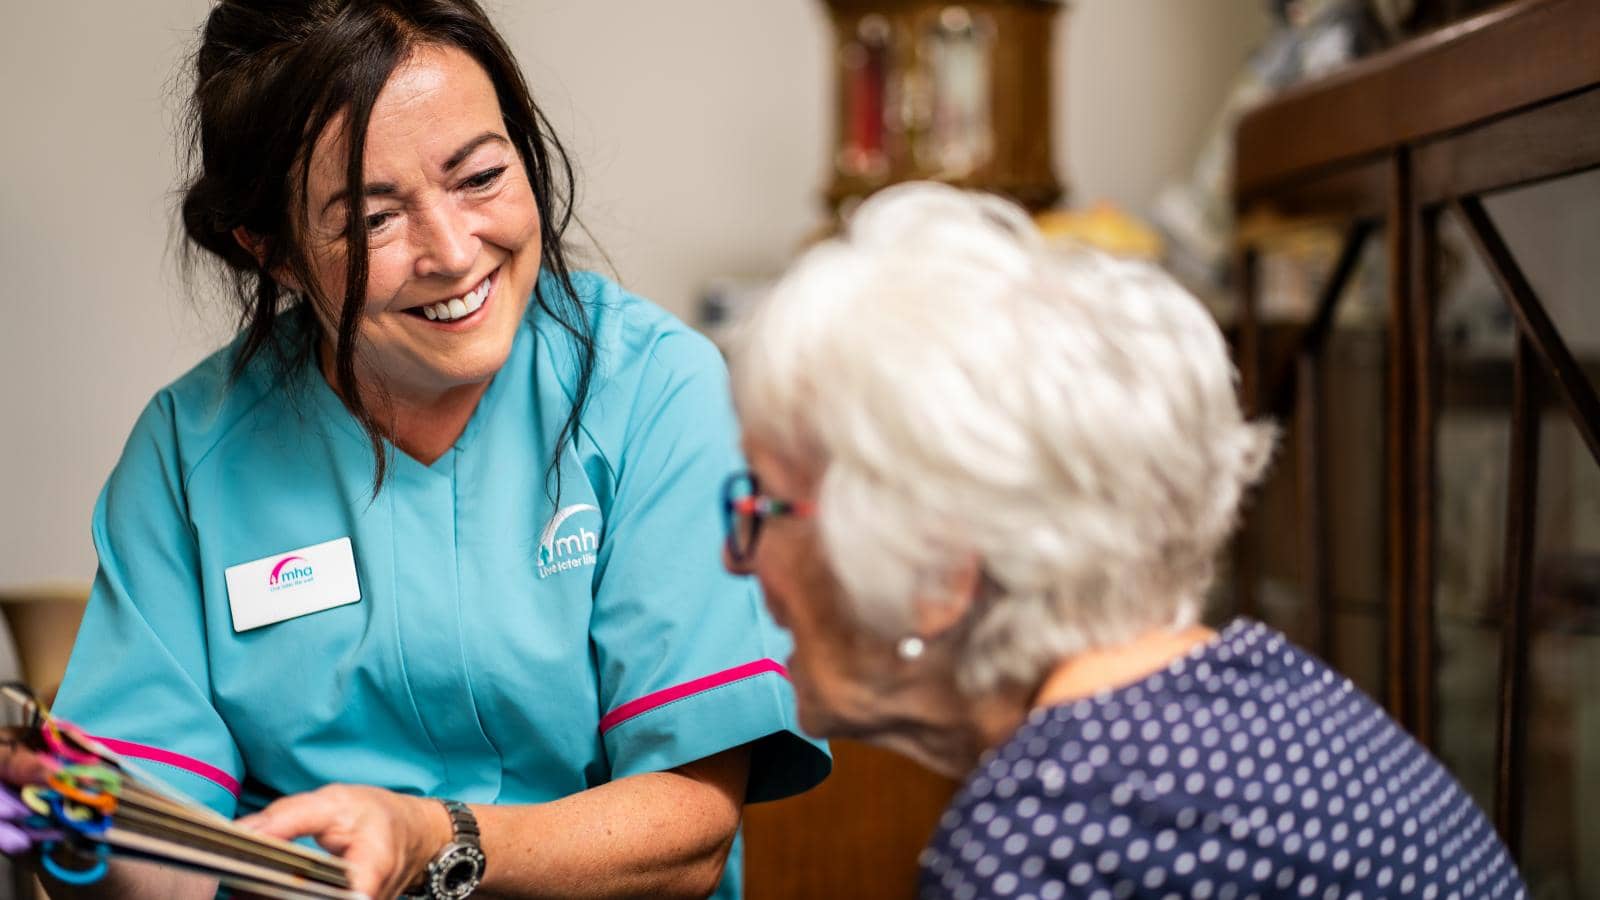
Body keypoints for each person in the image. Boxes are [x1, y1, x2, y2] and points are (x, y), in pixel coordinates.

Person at [39, 2, 828, 898]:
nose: (454, 253)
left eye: (481, 177)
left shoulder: (655, 392)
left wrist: (431, 838)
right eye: (375, 221)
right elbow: (151, 863)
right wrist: (73, 823)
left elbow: (689, 832)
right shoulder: (191, 455)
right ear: (275, 253)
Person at [721, 182, 1525, 899]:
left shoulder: (1051, 844)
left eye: (763, 504)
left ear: (936, 572)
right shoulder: (1273, 695)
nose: (736, 553)